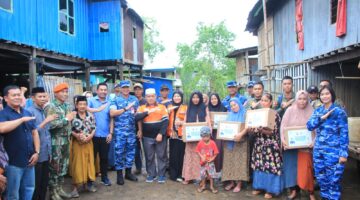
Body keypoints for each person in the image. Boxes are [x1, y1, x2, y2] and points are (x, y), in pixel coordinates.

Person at [307, 85, 348, 200]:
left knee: (334, 181)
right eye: (322, 94)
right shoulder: (318, 111)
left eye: (327, 94)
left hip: (333, 152)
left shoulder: (339, 112)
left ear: (332, 95)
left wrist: (343, 154)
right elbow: (309, 126)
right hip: (319, 151)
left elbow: (344, 134)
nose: (324, 96)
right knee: (321, 180)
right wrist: (321, 118)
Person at [0, 85, 40, 199]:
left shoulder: (27, 112)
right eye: (14, 95)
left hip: (30, 160)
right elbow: (2, 128)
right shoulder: (3, 114)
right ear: (6, 98)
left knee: (29, 189)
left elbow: (35, 133)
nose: (17, 97)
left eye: (19, 95)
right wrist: (21, 120)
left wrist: (37, 152)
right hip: (13, 162)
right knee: (13, 194)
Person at [241, 93, 283, 199]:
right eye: (262, 100)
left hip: (271, 145)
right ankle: (259, 187)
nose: (264, 102)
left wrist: (262, 130)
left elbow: (274, 132)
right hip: (259, 144)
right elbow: (254, 128)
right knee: (259, 165)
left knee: (271, 166)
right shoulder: (257, 113)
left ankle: (271, 190)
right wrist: (252, 129)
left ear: (271, 102)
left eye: (266, 100)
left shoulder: (274, 114)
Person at [281, 90, 315, 200]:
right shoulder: (290, 110)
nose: (302, 101)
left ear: (307, 99)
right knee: (291, 169)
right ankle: (293, 190)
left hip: (305, 147)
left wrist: (314, 141)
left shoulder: (312, 111)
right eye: (300, 99)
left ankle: (310, 192)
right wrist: (283, 140)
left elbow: (316, 129)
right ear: (296, 99)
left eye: (304, 99)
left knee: (306, 169)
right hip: (291, 147)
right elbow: (283, 127)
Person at [45, 83, 75, 200]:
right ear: (56, 93)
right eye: (62, 92)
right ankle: (53, 192)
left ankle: (59, 189)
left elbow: (70, 123)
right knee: (55, 167)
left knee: (63, 166)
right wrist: (66, 119)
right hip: (55, 141)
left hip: (66, 140)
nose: (65, 94)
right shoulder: (51, 106)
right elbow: (50, 125)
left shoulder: (67, 106)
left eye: (66, 92)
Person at [27, 87, 58, 200]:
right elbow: (31, 133)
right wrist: (46, 121)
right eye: (40, 97)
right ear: (33, 98)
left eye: (44, 96)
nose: (43, 99)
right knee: (36, 183)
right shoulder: (29, 112)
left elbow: (47, 133)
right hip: (37, 153)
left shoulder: (44, 110)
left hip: (46, 152)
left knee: (44, 182)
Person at [136, 88, 169, 183]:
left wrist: (161, 134)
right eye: (148, 96)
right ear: (146, 97)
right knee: (149, 156)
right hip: (147, 137)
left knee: (161, 155)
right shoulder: (141, 107)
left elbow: (166, 121)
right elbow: (137, 118)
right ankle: (151, 174)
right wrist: (146, 113)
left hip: (160, 136)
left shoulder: (162, 107)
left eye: (152, 96)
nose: (150, 98)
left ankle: (161, 175)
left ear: (155, 96)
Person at [110, 80, 139, 185]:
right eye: (124, 87)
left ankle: (128, 173)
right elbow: (112, 113)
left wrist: (139, 129)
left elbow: (137, 115)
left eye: (127, 87)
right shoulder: (115, 100)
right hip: (120, 132)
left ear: (129, 88)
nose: (126, 89)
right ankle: (119, 175)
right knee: (119, 153)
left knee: (131, 152)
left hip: (131, 131)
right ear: (120, 88)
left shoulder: (134, 99)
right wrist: (125, 108)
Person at [70, 96, 97, 197]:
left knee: (89, 163)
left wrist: (90, 136)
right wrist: (76, 135)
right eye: (80, 104)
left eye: (84, 104)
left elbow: (94, 127)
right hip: (77, 144)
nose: (82, 106)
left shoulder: (90, 115)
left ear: (86, 105)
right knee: (77, 165)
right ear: (76, 105)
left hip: (89, 142)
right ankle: (75, 188)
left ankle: (88, 185)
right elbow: (69, 129)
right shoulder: (73, 115)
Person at [182, 91, 211, 184]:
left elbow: (208, 121)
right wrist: (185, 133)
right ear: (191, 98)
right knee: (190, 157)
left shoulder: (204, 107)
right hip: (191, 138)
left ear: (200, 98)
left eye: (197, 97)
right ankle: (188, 177)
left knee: (202, 157)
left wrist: (208, 134)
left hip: (202, 138)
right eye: (193, 97)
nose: (195, 99)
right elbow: (185, 122)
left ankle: (202, 178)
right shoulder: (189, 108)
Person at [88, 83, 113, 186]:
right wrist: (97, 109)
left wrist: (111, 133)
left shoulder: (110, 102)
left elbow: (112, 119)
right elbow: (84, 110)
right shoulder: (91, 101)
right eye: (101, 90)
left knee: (104, 158)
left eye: (105, 90)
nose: (103, 91)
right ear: (97, 91)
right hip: (92, 135)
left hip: (105, 135)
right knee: (91, 158)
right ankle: (90, 180)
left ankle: (104, 178)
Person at [222, 98, 249, 193]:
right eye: (232, 106)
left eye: (235, 105)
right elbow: (225, 127)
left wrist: (240, 134)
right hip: (229, 143)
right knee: (230, 162)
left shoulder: (245, 113)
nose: (233, 107)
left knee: (239, 163)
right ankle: (232, 182)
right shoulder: (229, 115)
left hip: (241, 143)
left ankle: (239, 184)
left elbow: (248, 126)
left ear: (239, 104)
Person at [167, 91, 187, 182]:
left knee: (181, 154)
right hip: (172, 134)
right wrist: (167, 112)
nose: (177, 98)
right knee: (173, 154)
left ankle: (180, 174)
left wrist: (182, 123)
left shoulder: (185, 107)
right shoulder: (169, 107)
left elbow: (188, 121)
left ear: (181, 97)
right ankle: (173, 174)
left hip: (181, 134)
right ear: (172, 97)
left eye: (178, 96)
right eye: (175, 96)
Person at [196, 126, 219, 194]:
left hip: (210, 163)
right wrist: (201, 156)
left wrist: (212, 158)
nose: (205, 138)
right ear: (201, 136)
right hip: (203, 163)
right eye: (203, 137)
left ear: (210, 135)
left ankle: (211, 186)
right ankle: (203, 186)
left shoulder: (213, 143)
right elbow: (197, 151)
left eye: (207, 136)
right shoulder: (200, 143)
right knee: (203, 175)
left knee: (211, 175)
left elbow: (216, 153)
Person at [208, 93, 227, 173]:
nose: (213, 100)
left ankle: (219, 171)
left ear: (218, 99)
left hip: (220, 134)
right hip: (210, 134)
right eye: (212, 99)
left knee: (219, 151)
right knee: (209, 151)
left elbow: (227, 120)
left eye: (215, 98)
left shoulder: (223, 108)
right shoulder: (207, 109)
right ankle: (209, 173)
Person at [133, 83, 146, 175]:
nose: (137, 91)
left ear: (142, 90)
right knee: (136, 149)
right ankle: (138, 167)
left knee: (147, 149)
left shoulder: (145, 101)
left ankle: (149, 169)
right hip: (134, 128)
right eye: (136, 89)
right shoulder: (132, 101)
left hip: (145, 127)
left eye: (139, 89)